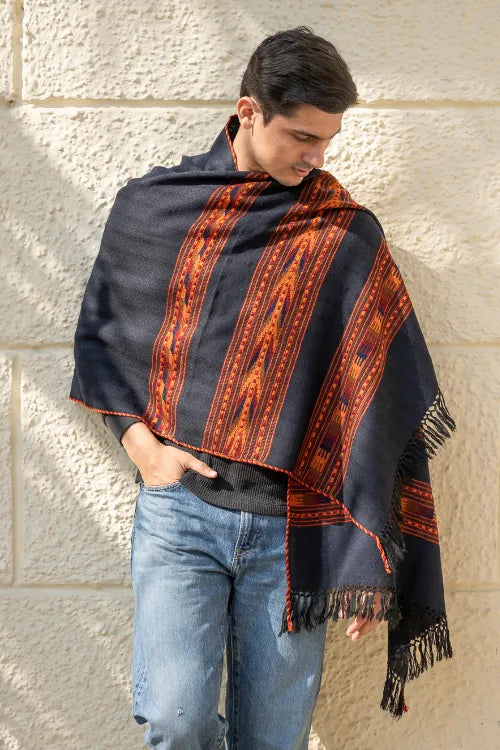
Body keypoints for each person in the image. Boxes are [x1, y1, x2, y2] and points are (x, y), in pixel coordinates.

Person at [71, 23, 455, 748]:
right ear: (249, 112)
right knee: (177, 720)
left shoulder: (342, 234)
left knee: (273, 741)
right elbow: (100, 341)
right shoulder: (157, 207)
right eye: (302, 137)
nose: (316, 158)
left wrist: (365, 554)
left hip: (291, 533)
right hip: (182, 514)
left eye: (327, 142)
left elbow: (377, 407)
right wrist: (145, 451)